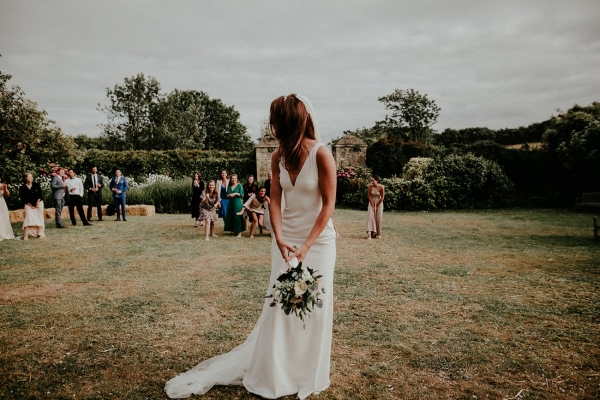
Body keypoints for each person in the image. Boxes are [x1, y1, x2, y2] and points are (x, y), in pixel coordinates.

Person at [165, 94, 337, 399]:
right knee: (281, 305)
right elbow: (275, 201)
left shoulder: (321, 154)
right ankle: (279, 373)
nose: (273, 127)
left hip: (318, 241)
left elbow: (328, 205)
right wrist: (278, 236)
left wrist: (307, 246)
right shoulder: (278, 156)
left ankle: (307, 373)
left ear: (290, 122)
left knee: (314, 305)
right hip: (285, 240)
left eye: (276, 121)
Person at [19, 172, 46, 240]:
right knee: (29, 217)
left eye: (31, 177)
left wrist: (37, 204)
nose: (31, 178)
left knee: (39, 217)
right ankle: (26, 235)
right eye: (29, 177)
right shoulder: (22, 188)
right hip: (28, 204)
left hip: (38, 203)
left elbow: (40, 195)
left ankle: (40, 233)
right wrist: (31, 205)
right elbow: (23, 198)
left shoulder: (36, 185)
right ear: (25, 178)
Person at [223, 174, 245, 238]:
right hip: (231, 203)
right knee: (232, 216)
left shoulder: (239, 185)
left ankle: (239, 233)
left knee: (237, 216)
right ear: (231, 179)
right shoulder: (229, 186)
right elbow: (227, 194)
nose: (234, 179)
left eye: (235, 178)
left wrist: (235, 193)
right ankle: (235, 231)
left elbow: (242, 194)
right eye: (232, 178)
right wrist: (229, 195)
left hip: (237, 202)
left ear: (237, 179)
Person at [366, 174, 385, 239]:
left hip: (379, 202)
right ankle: (370, 233)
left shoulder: (381, 187)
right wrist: (372, 205)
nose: (372, 182)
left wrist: (377, 206)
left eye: (373, 180)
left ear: (377, 180)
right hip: (372, 201)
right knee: (370, 216)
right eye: (371, 180)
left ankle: (378, 233)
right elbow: (369, 196)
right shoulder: (370, 187)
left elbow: (382, 197)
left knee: (378, 217)